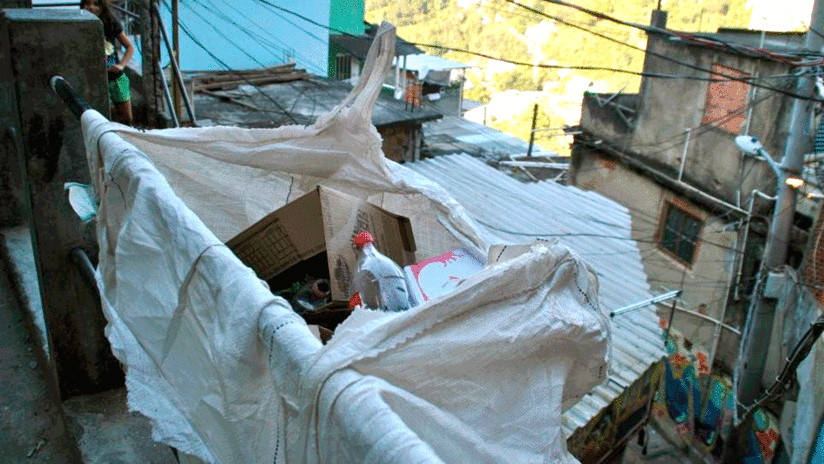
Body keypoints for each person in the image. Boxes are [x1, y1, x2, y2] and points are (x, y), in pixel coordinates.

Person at [81, 0, 136, 125]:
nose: (91, 7)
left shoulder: (110, 22)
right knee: (98, 118)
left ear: (102, 6)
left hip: (115, 75)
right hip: (93, 78)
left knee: (127, 118)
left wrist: (121, 65)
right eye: (87, 3)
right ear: (82, 6)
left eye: (96, 4)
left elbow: (130, 47)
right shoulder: (80, 26)